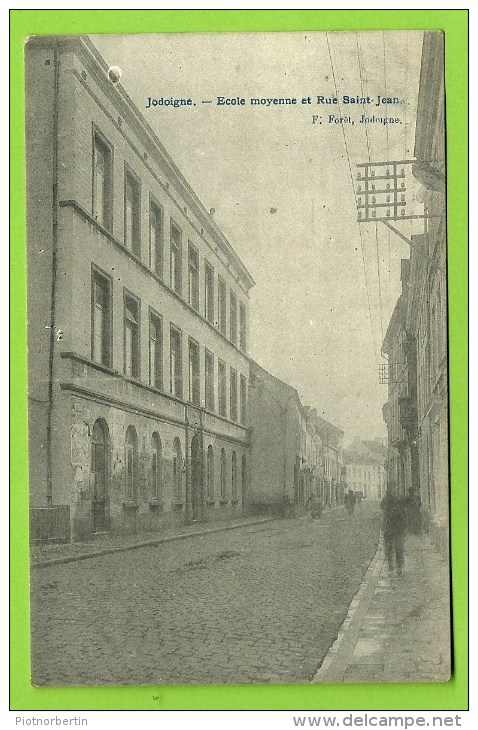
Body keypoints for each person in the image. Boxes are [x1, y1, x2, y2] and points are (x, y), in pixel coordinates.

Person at [381, 486, 407, 577]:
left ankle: (395, 567)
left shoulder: (396, 501)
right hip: (393, 528)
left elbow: (384, 512)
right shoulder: (392, 501)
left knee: (394, 548)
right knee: (395, 548)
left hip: (394, 528)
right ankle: (395, 567)